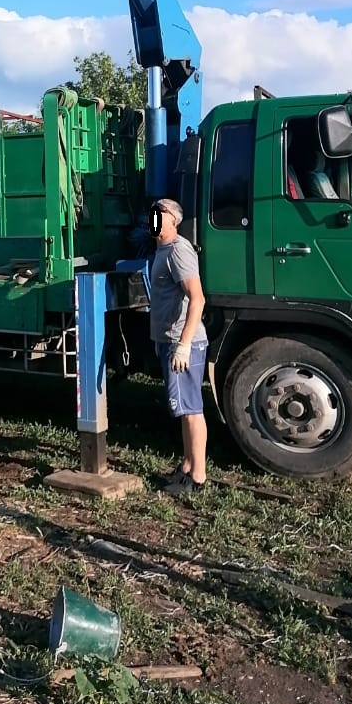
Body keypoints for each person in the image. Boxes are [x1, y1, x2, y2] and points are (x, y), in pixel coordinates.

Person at [149, 197, 208, 496]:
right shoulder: (162, 250)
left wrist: (184, 345)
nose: (154, 218)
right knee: (184, 409)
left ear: (174, 220)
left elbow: (197, 298)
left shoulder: (178, 251)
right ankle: (187, 465)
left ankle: (197, 477)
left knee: (192, 409)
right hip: (169, 341)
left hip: (181, 343)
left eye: (160, 214)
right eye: (153, 214)